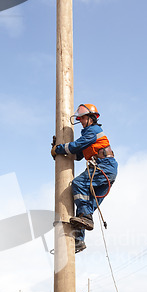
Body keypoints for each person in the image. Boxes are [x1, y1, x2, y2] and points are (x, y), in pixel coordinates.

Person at [51, 103, 118, 253]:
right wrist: (60, 155)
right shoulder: (88, 136)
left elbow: (75, 146)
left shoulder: (93, 131)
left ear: (91, 118)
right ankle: (79, 241)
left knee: (78, 184)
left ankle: (84, 223)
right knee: (84, 209)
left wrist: (59, 149)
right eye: (80, 119)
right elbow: (77, 155)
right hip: (108, 169)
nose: (80, 121)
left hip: (104, 166)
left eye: (82, 118)